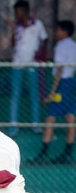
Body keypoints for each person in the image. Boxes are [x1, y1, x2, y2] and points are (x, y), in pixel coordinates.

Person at [28, 20, 76, 165]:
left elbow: (60, 69)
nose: (55, 33)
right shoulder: (73, 45)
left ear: (64, 32)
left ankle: (43, 153)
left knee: (50, 117)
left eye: (58, 30)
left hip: (62, 84)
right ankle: (67, 153)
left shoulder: (61, 46)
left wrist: (52, 92)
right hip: (71, 82)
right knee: (70, 116)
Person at [8, 0, 48, 137]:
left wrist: (41, 54)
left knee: (35, 95)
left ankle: (35, 125)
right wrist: (13, 30)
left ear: (24, 11)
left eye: (17, 11)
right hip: (17, 64)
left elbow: (45, 39)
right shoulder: (17, 26)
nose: (15, 14)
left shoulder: (37, 24)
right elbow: (13, 44)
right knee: (15, 95)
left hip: (33, 64)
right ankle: (13, 126)